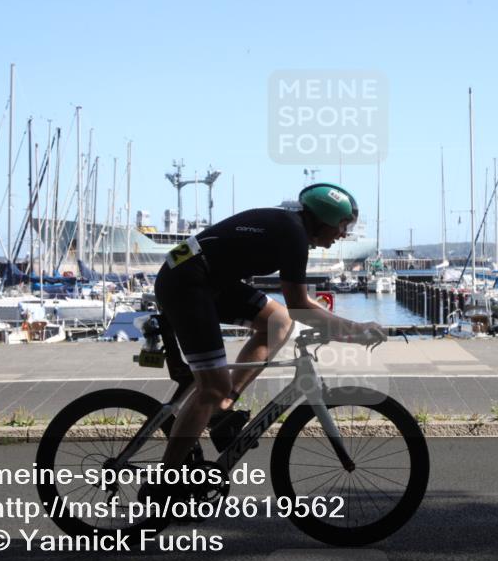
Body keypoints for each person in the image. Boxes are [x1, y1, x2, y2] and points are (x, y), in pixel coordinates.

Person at [154, 183, 386, 471]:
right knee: (211, 387)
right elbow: (301, 306)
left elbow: (294, 310)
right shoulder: (293, 234)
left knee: (278, 322)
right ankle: (165, 479)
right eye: (341, 225)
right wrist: (356, 331)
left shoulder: (292, 228)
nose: (343, 234)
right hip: (186, 283)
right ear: (324, 219)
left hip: (208, 281)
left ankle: (223, 408)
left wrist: (338, 325)